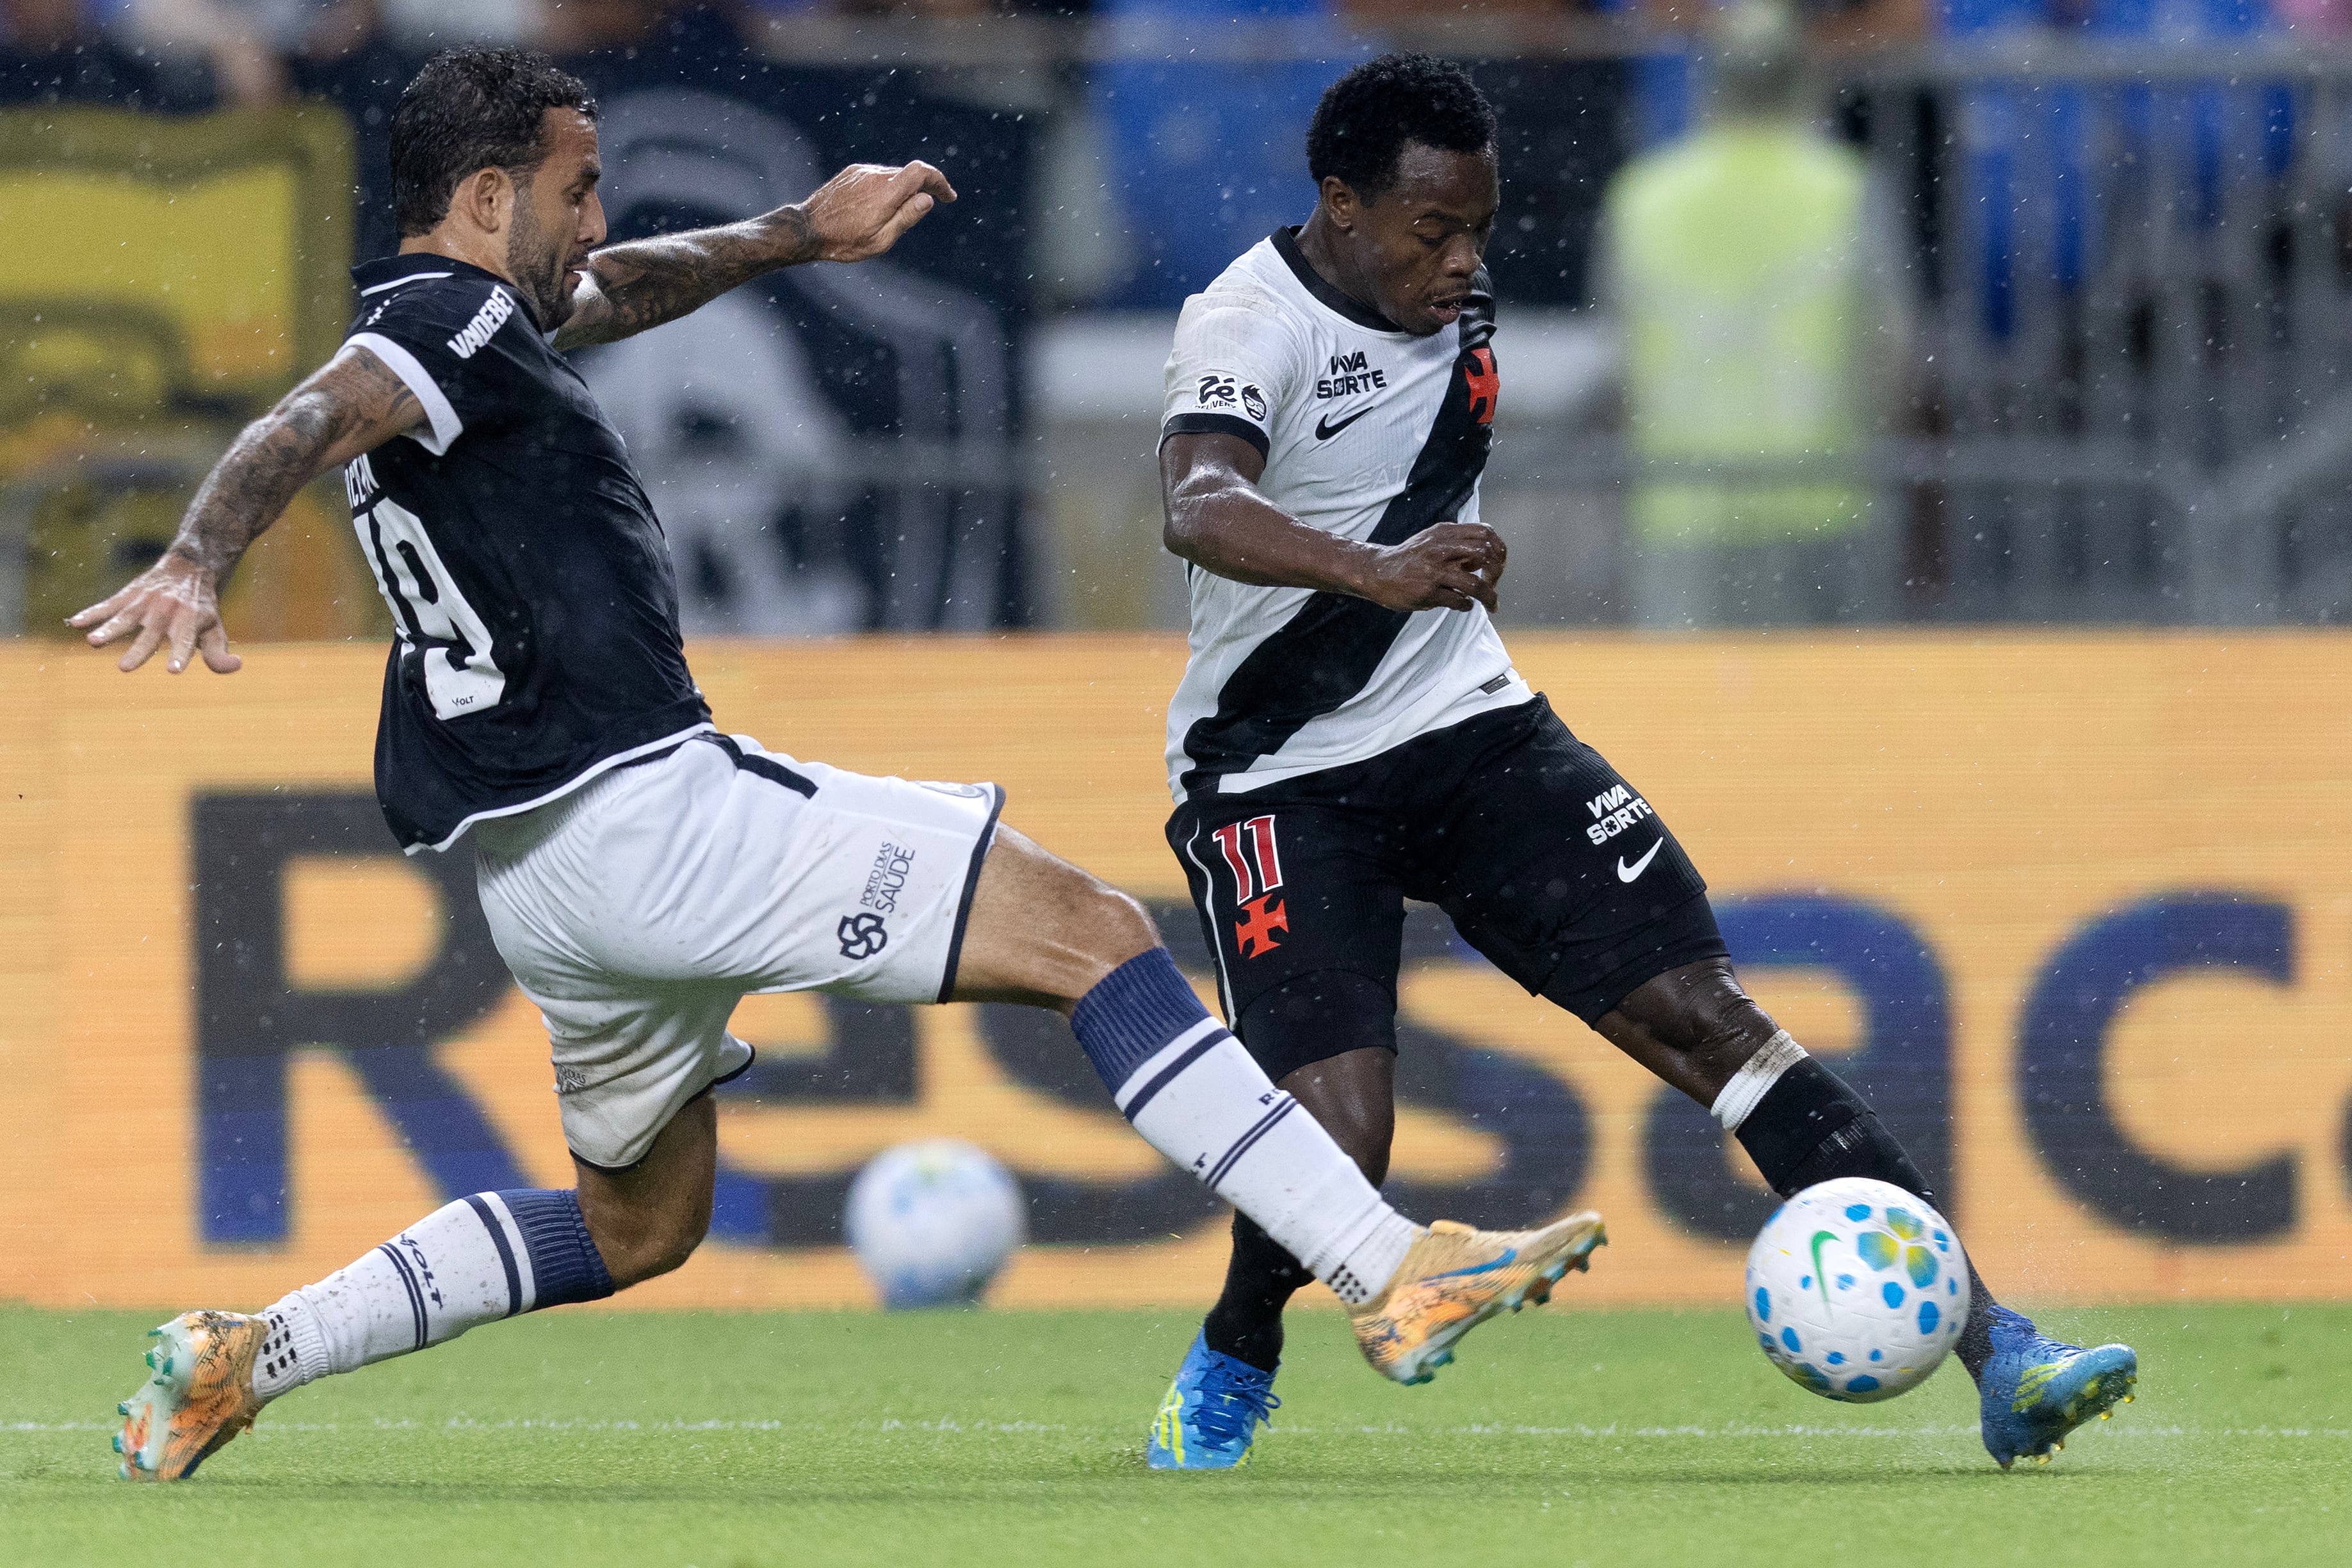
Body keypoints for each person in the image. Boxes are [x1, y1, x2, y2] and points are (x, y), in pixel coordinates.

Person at [75, 45, 1604, 1484]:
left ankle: (252, 1353)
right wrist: (199, 555)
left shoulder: (470, 324)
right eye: (575, 188)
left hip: (539, 877)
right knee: (1091, 934)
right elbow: (307, 416)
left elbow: (614, 289)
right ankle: (1384, 1266)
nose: (596, 219)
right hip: (650, 813)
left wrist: (799, 232)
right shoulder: (433, 332)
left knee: (637, 1225)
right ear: (485, 197)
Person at [1144, 51, 2135, 1471]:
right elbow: (1196, 503)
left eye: (1479, 228)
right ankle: (1235, 1353)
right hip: (1274, 775)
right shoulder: (1245, 321)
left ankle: (2002, 1351)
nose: (1462, 260)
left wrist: (1416, 575)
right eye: (1432, 230)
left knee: (1715, 1022)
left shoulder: (1454, 300)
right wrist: (1376, 569)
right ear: (1340, 204)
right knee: (1341, 1137)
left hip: (1469, 727)